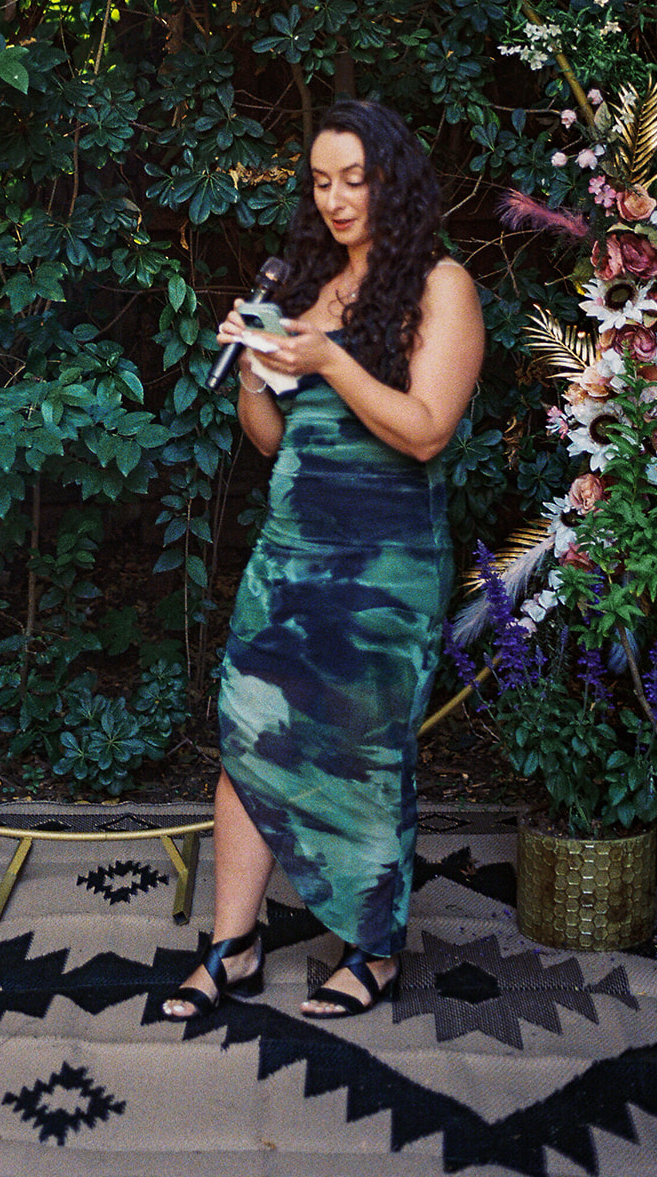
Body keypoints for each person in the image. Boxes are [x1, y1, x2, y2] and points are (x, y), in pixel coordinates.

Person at [161, 98, 484, 1022]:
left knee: (364, 750)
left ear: (393, 181)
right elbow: (271, 441)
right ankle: (233, 945)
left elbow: (424, 433)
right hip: (288, 558)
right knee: (248, 733)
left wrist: (330, 362)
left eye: (355, 179)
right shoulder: (304, 285)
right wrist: (257, 375)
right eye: (320, 182)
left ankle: (372, 949)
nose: (336, 199)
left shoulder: (440, 286)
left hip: (383, 570)